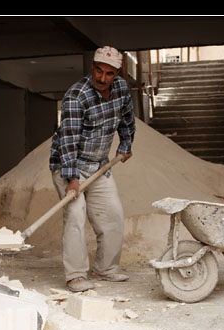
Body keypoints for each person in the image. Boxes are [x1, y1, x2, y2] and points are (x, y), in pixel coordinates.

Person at [49, 46, 136, 292]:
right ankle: (76, 275)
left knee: (113, 216)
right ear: (92, 67)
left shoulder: (120, 90)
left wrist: (126, 144)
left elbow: (127, 119)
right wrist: (72, 178)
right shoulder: (77, 95)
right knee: (75, 216)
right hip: (69, 164)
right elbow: (68, 140)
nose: (102, 78)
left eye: (109, 74)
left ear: (117, 73)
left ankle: (104, 269)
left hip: (99, 165)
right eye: (98, 71)